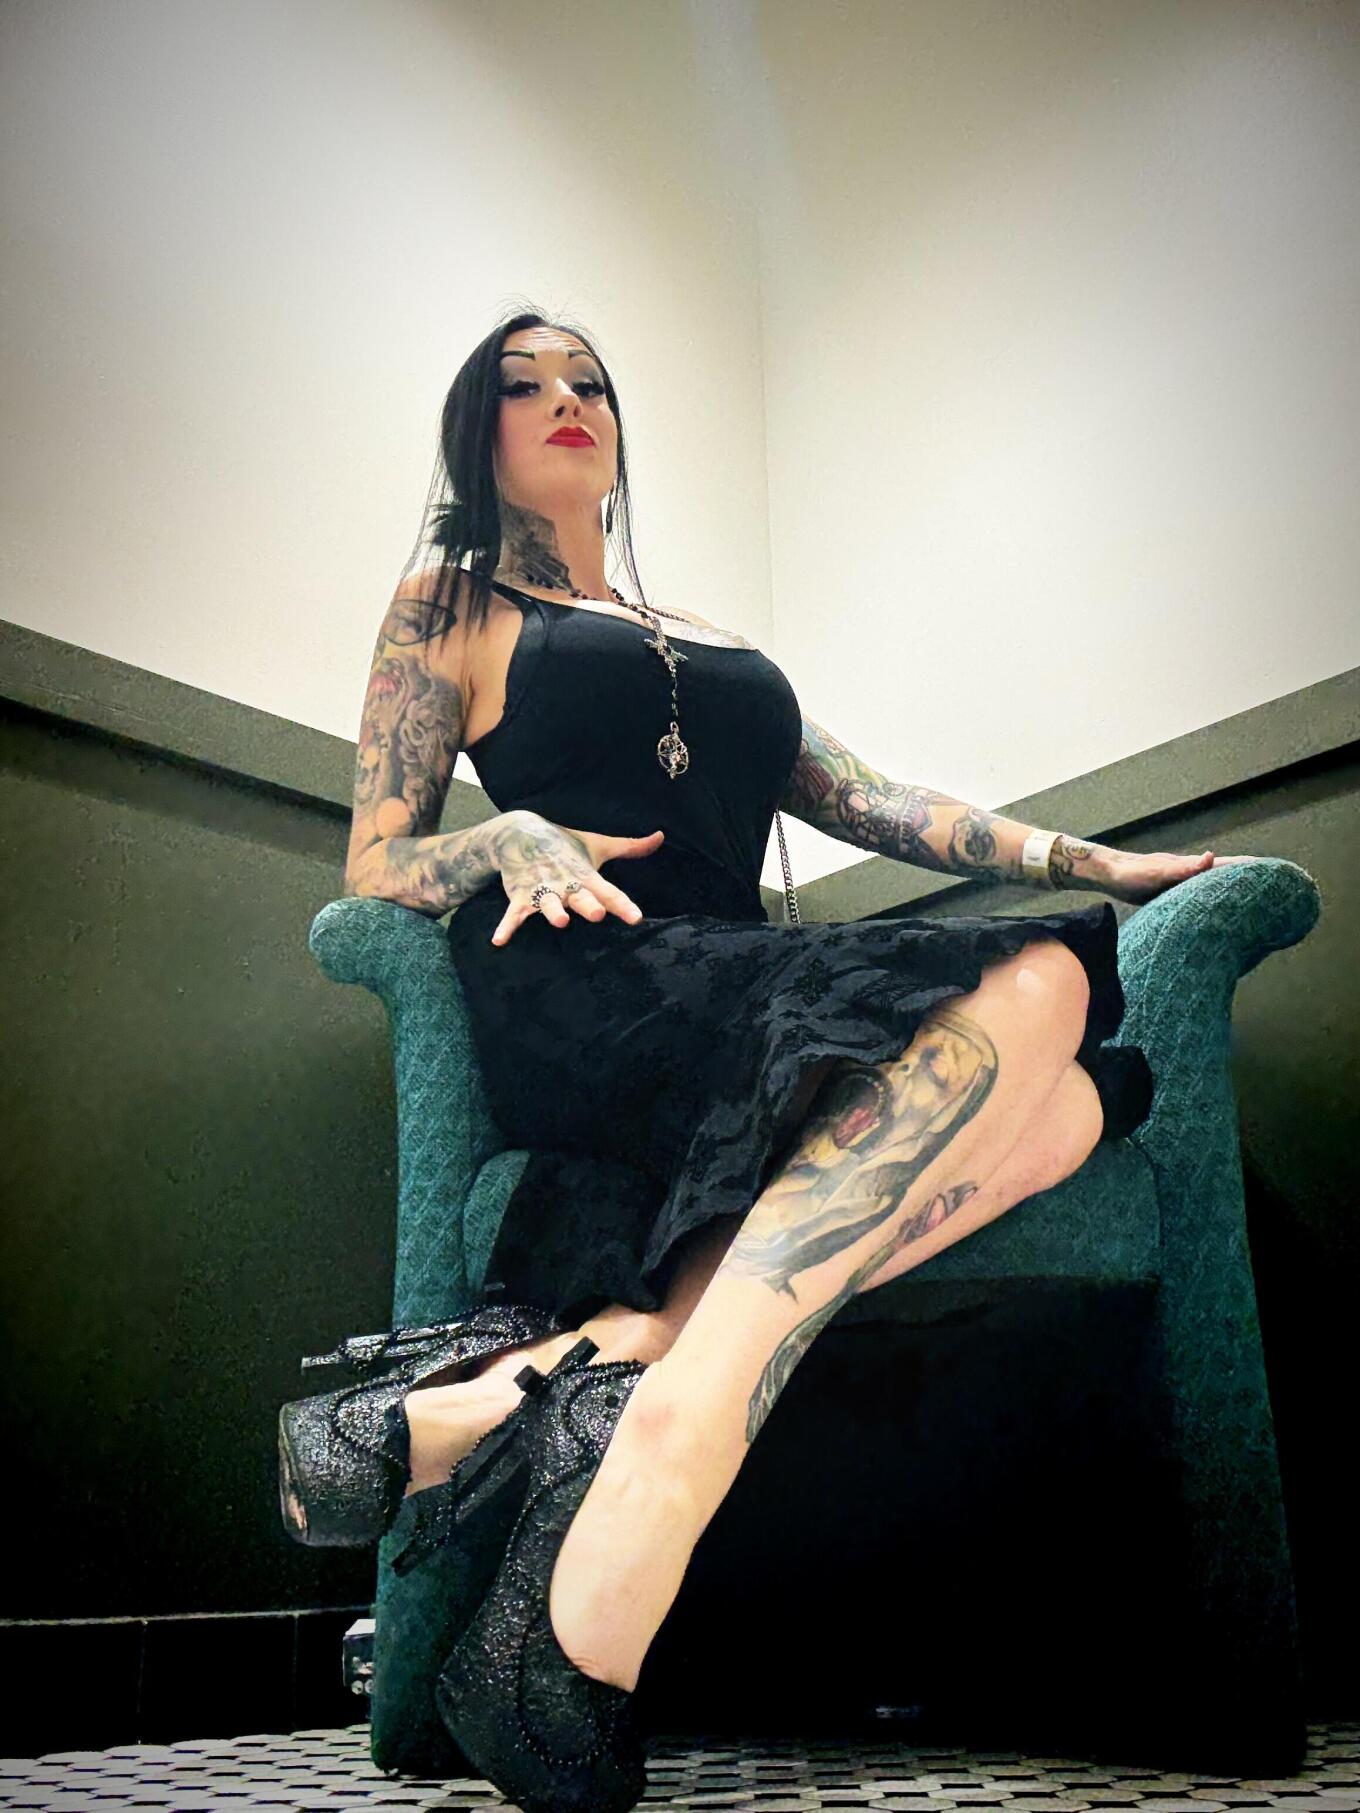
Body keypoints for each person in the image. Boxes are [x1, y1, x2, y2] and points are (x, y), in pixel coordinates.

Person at [280, 310, 1227, 1812]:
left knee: (1087, 1083)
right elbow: (374, 862)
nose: (567, 397)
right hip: (589, 980)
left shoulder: (707, 638)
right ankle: (659, 1464)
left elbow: (879, 801)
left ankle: (556, 1388)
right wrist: (508, 834)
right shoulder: (448, 602)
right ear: (478, 432)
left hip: (743, 992)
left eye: (589, 378)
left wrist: (1095, 859)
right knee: (1044, 988)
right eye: (523, 383)